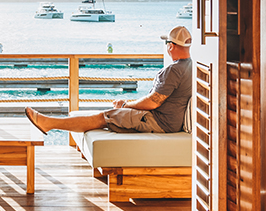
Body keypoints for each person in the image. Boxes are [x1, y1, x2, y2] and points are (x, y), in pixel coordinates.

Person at [25, 26, 193, 135]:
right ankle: (50, 123)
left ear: (171, 46)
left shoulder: (173, 70)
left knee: (103, 117)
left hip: (158, 122)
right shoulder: (190, 66)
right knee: (110, 117)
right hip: (169, 121)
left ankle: (48, 123)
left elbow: (152, 103)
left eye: (166, 44)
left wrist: (126, 105)